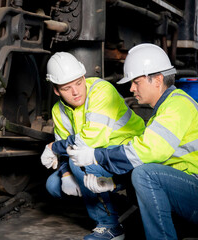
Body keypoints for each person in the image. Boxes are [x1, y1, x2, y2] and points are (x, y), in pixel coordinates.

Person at [67, 43, 198, 240]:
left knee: (144, 174)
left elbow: (146, 153)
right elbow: (154, 158)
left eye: (136, 82)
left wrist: (95, 155)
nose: (131, 88)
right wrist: (113, 184)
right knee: (141, 173)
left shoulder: (177, 106)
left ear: (157, 80)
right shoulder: (166, 107)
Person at [40, 52, 145, 240]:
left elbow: (89, 142)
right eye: (67, 88)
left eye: (79, 83)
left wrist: (54, 148)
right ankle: (119, 204)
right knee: (54, 185)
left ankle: (110, 227)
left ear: (83, 77)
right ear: (56, 91)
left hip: (130, 155)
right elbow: (66, 150)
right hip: (99, 158)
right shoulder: (58, 110)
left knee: (80, 161)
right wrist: (64, 174)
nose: (76, 92)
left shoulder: (101, 90)